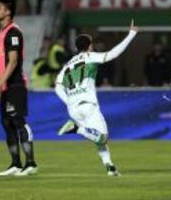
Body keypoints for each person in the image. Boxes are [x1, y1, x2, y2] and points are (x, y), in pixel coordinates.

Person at [55, 20, 138, 176]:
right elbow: (113, 54)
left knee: (97, 137)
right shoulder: (90, 56)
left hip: (73, 108)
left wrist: (68, 101)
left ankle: (110, 167)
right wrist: (131, 34)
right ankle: (76, 128)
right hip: (88, 105)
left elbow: (58, 86)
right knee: (103, 137)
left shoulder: (67, 66)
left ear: (75, 48)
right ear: (90, 45)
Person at [0, 0, 38, 176]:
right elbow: (4, 64)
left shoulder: (13, 32)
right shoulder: (2, 33)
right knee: (6, 123)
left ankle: (31, 163)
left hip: (16, 85)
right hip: (7, 86)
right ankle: (16, 164)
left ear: (8, 12)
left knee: (18, 122)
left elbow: (14, 61)